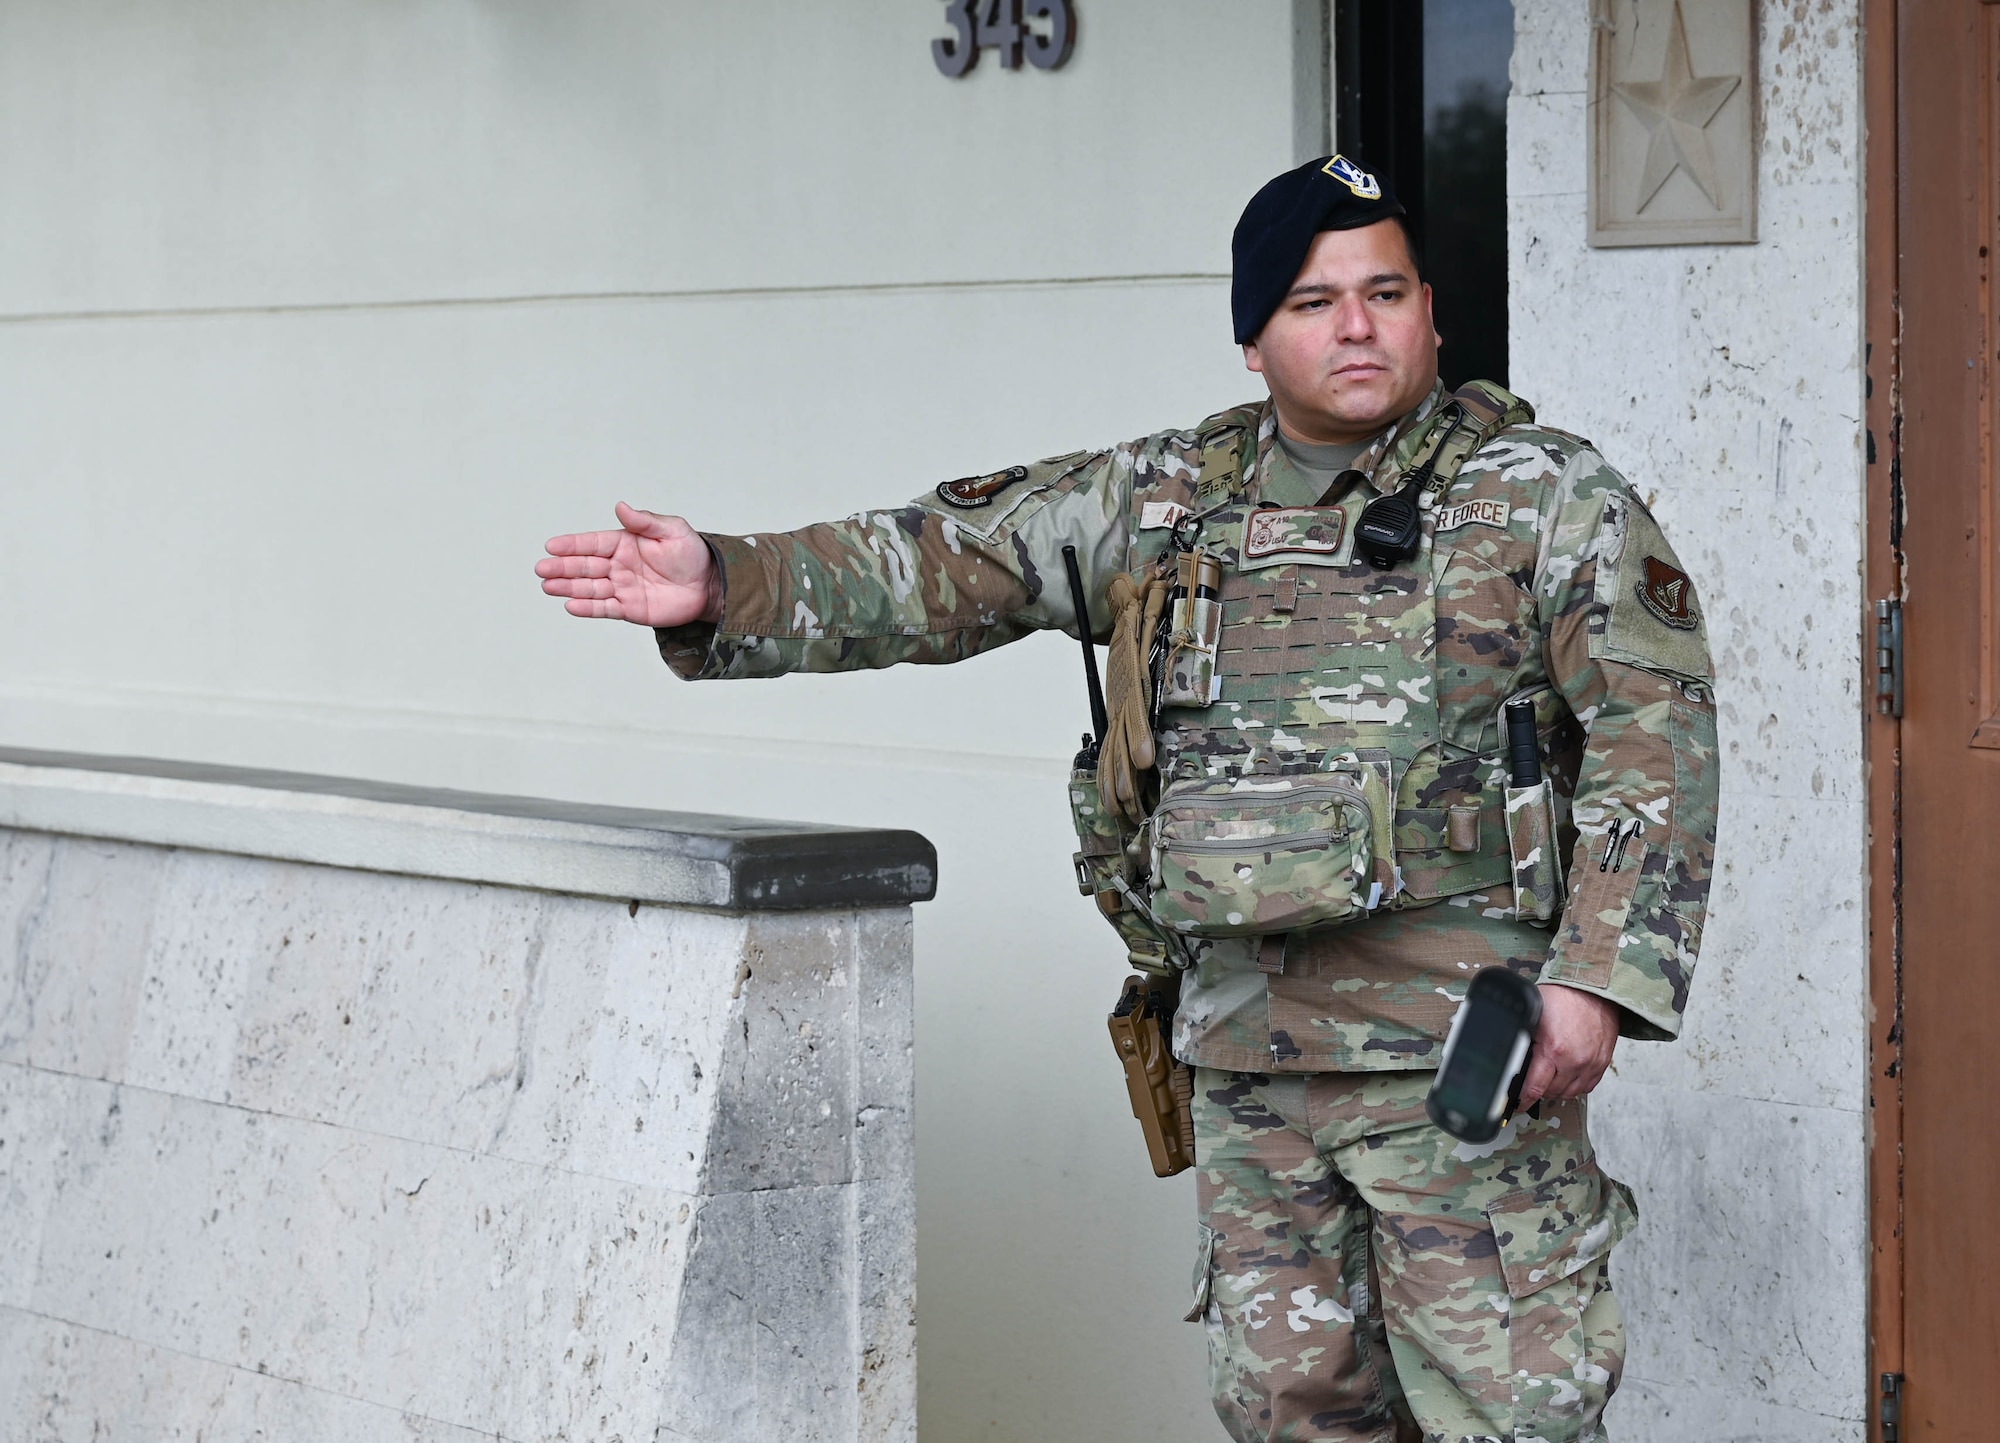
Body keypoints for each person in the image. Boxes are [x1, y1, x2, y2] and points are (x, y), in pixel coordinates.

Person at [536, 155, 1717, 1443]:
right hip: (1246, 1059)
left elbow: (1656, 730)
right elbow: (949, 558)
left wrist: (1597, 980)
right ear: (1254, 337)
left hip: (1459, 1065)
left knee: (1512, 1418)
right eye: (1316, 302)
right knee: (1293, 1418)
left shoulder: (1546, 495)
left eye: (1386, 292)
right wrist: (729, 583)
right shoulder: (1165, 500)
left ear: (1434, 311)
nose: (1358, 325)